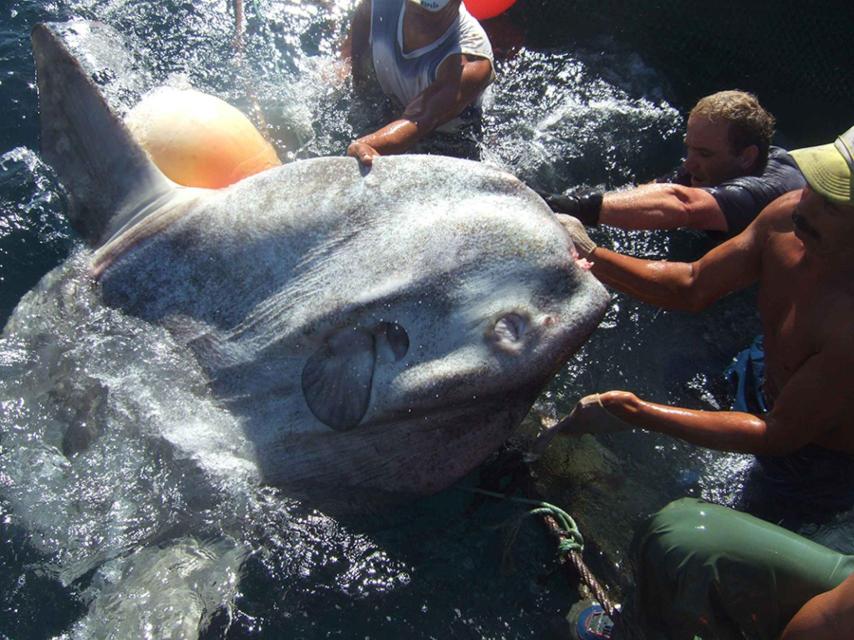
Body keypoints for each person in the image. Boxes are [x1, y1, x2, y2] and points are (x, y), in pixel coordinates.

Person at [554, 124, 854, 638]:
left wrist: (638, 413)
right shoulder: (787, 217)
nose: (806, 203)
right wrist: (589, 255)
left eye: (832, 202)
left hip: (825, 476)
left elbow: (777, 436)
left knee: (729, 568)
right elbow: (692, 286)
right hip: (775, 405)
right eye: (814, 185)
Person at [541, 91, 805, 238]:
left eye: (704, 153)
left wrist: (578, 208)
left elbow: (684, 205)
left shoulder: (771, 190)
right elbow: (656, 192)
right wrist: (568, 204)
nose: (689, 163)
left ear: (746, 156)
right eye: (689, 147)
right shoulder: (709, 167)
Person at [341, 0, 495, 166]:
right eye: (415, 5)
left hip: (449, 145)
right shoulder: (373, 8)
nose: (419, 14)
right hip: (390, 112)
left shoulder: (471, 61)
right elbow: (353, 66)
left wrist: (368, 145)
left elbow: (418, 119)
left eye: (430, 10)